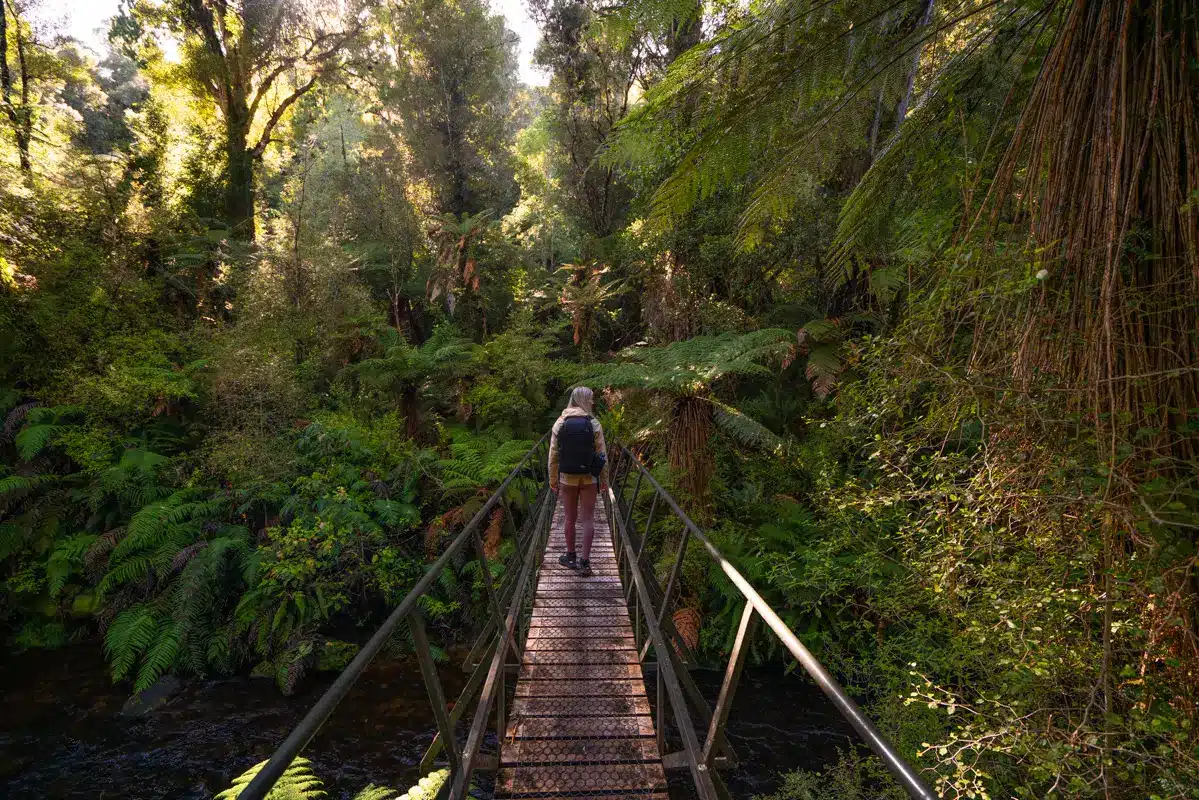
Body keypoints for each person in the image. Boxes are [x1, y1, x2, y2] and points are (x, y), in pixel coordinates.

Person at [548, 386, 609, 577]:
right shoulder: (594, 423)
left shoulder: (560, 422)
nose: (592, 402)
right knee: (588, 519)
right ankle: (585, 562)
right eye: (590, 399)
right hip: (590, 477)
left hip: (567, 478)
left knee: (569, 518)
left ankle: (571, 556)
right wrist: (604, 479)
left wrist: (553, 479)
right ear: (584, 400)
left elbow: (553, 455)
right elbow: (602, 454)